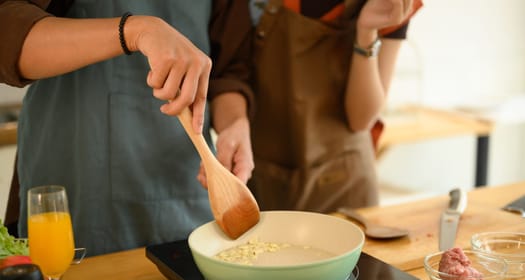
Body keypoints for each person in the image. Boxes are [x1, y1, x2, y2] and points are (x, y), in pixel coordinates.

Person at [0, 1, 255, 256]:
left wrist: (235, 124)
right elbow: (8, 34)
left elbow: (229, 69)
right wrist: (135, 31)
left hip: (184, 184)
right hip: (74, 166)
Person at [248, 0, 423, 213]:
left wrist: (366, 32)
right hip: (261, 176)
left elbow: (361, 119)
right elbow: (229, 74)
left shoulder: (393, 4)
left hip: (344, 183)